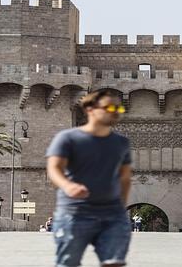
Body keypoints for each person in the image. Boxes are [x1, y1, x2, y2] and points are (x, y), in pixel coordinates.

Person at [46, 90, 132, 267]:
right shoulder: (67, 138)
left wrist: (120, 207)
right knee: (68, 264)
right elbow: (53, 169)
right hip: (74, 213)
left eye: (119, 108)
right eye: (109, 107)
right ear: (90, 108)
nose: (115, 111)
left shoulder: (121, 142)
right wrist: (67, 185)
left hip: (112, 214)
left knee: (114, 263)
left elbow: (125, 177)